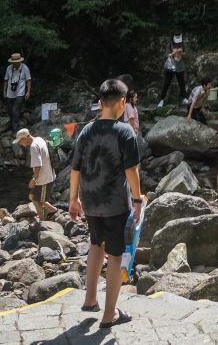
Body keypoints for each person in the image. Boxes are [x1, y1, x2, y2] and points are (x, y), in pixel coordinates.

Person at [69, 76, 142, 329]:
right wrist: (137, 199)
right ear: (123, 102)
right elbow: (132, 171)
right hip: (114, 203)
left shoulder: (86, 130)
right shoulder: (125, 131)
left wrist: (73, 200)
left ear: (101, 103)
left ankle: (90, 299)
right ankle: (109, 314)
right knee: (114, 255)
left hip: (90, 200)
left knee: (95, 244)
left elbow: (75, 169)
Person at [16, 127, 58, 220]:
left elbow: (38, 166)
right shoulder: (39, 139)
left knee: (36, 199)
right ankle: (52, 211)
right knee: (32, 196)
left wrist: (33, 180)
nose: (20, 144)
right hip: (48, 174)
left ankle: (43, 220)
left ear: (25, 138)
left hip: (44, 179)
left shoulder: (34, 147)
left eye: (20, 141)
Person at [2, 53, 32, 132]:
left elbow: (28, 80)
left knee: (15, 110)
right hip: (10, 93)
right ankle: (13, 125)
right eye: (13, 62)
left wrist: (28, 91)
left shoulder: (25, 68)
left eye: (16, 62)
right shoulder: (9, 68)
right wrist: (4, 91)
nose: (15, 64)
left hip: (20, 93)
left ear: (19, 61)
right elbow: (6, 80)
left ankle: (16, 129)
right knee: (10, 111)